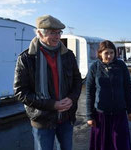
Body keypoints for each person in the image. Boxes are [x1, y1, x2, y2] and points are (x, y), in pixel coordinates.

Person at [14, 15, 82, 150]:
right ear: (39, 33)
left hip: (66, 118)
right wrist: (53, 104)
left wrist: (71, 98)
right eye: (52, 33)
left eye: (59, 33)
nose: (57, 37)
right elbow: (20, 92)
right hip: (42, 120)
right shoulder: (27, 58)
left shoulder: (68, 55)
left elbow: (77, 80)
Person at [86, 40, 131, 150]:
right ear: (100, 53)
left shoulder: (121, 65)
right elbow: (90, 93)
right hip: (101, 114)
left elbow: (127, 88)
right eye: (106, 53)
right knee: (102, 145)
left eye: (111, 53)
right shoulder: (94, 67)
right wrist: (89, 115)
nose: (109, 56)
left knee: (120, 144)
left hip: (119, 113)